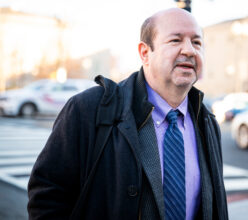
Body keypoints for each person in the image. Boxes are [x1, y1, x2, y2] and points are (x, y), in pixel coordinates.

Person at [27, 8, 228, 220]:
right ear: (144, 53)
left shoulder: (207, 122)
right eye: (175, 40)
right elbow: (47, 196)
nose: (189, 50)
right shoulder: (87, 109)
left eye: (197, 42)